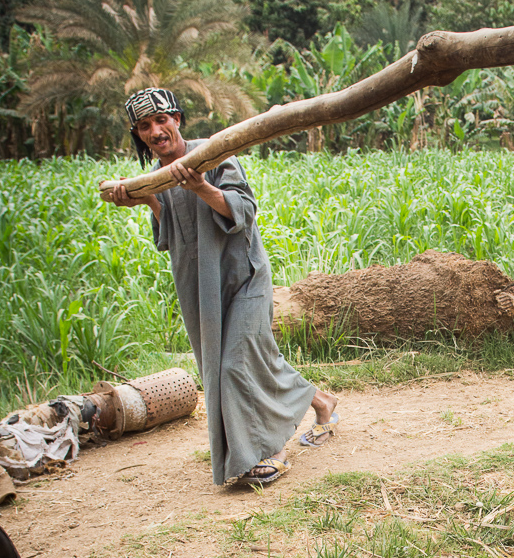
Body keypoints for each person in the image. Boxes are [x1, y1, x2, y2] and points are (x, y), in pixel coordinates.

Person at [101, 89, 337, 487]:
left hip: (242, 277)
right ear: (138, 134)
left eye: (161, 120)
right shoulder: (156, 175)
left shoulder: (212, 154)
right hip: (200, 286)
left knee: (236, 364)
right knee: (248, 360)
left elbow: (243, 210)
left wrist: (200, 187)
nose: (155, 131)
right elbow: (172, 235)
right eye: (144, 126)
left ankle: (268, 450)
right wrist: (148, 201)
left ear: (177, 119)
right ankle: (322, 401)